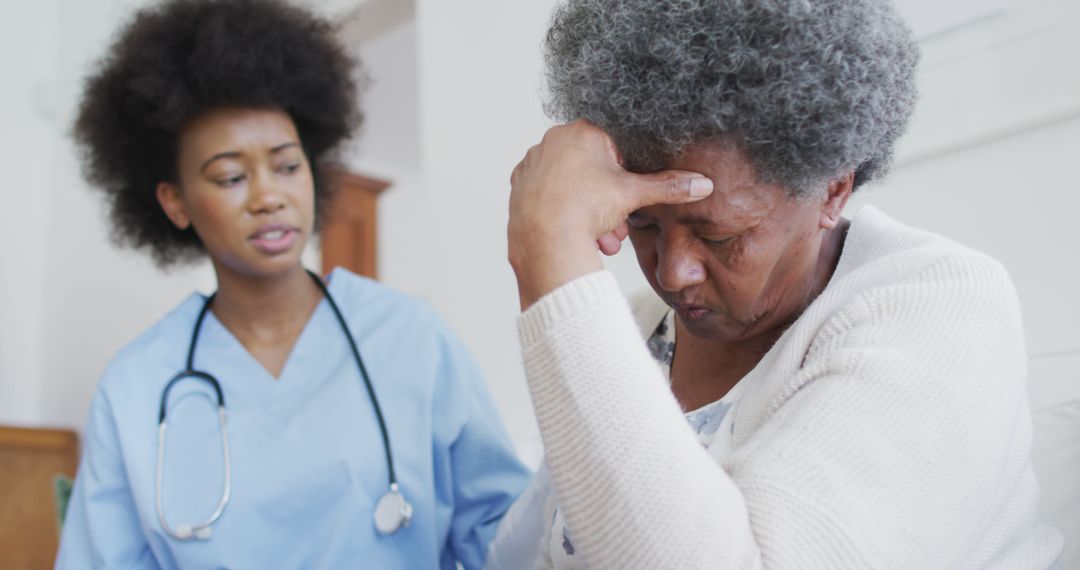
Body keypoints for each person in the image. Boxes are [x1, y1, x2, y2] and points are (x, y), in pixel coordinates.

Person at [489, 0, 1064, 568]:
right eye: (642, 222)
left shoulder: (941, 307)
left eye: (720, 236)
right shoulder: (641, 329)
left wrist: (553, 249)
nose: (672, 272)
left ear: (833, 191)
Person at [56, 1, 528, 568]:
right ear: (175, 202)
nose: (269, 197)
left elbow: (504, 539)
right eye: (231, 176)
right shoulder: (136, 386)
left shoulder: (409, 337)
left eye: (286, 165)